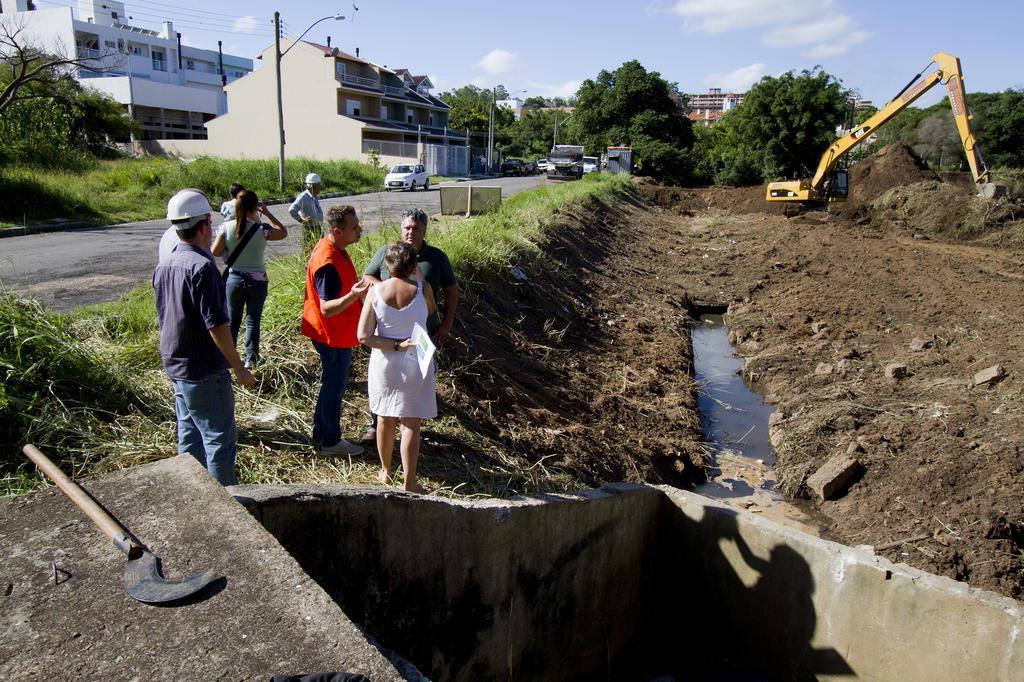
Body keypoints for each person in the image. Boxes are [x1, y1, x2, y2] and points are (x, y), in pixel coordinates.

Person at [153, 188, 255, 485]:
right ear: (201, 227)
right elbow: (218, 326)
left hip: (177, 366)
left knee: (189, 436)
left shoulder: (165, 264)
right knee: (219, 441)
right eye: (209, 224)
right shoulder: (202, 267)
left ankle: (191, 497)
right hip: (204, 369)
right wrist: (238, 367)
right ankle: (227, 507)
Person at [359, 207, 458, 445]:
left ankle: (410, 427)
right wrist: (384, 289)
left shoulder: (436, 258)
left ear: (425, 230)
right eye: (407, 227)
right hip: (388, 333)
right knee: (385, 381)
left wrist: (446, 324)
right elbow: (367, 277)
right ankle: (377, 425)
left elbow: (451, 291)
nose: (411, 232)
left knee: (417, 381)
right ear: (401, 228)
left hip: (423, 335)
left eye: (416, 228)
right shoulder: (387, 252)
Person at [357, 242, 437, 493]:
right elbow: (432, 311)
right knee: (411, 422)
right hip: (417, 358)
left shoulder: (375, 292)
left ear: (387, 266)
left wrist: (394, 344)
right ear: (413, 266)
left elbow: (364, 336)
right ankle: (410, 481)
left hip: (386, 361)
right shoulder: (423, 289)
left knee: (385, 418)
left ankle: (386, 471)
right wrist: (419, 278)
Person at [301, 204, 371, 456]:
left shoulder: (335, 248)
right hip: (330, 335)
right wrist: (354, 295)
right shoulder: (328, 260)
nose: (359, 229)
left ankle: (322, 434)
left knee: (331, 384)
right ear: (337, 231)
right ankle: (330, 441)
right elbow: (328, 308)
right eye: (355, 227)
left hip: (334, 333)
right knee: (334, 386)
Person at [211, 189, 288, 368]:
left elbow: (215, 252)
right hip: (258, 281)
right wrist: (267, 213)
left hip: (234, 280)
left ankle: (228, 359)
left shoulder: (225, 228)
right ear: (255, 207)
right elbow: (283, 232)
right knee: (253, 321)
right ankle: (250, 360)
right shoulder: (262, 230)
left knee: (232, 321)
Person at [289, 172, 324, 247]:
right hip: (310, 229)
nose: (320, 187)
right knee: (309, 250)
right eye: (318, 185)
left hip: (318, 227)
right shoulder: (303, 197)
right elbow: (292, 209)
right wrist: (301, 220)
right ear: (312, 186)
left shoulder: (314, 196)